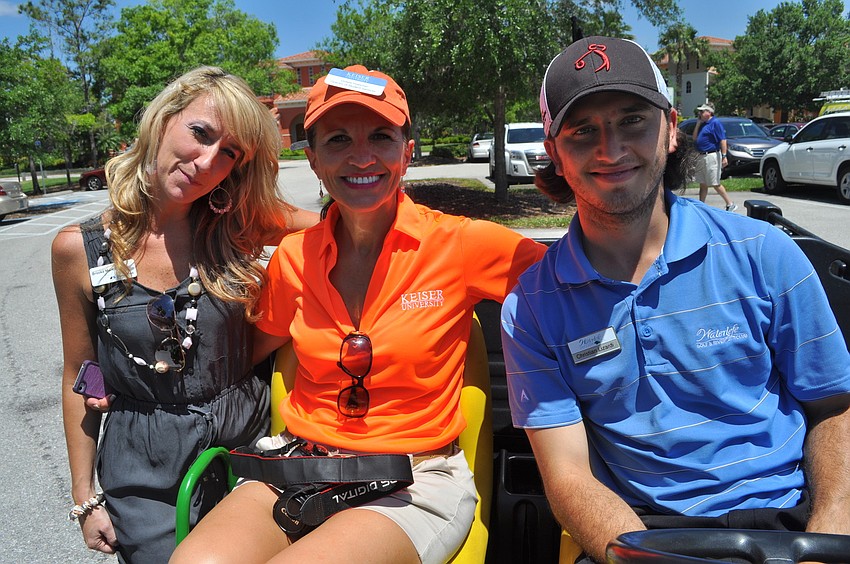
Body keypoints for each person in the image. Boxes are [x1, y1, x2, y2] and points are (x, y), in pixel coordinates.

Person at [170, 65, 547, 564]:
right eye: (339, 139)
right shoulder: (293, 257)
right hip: (299, 463)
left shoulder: (461, 244)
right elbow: (242, 356)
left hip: (415, 479)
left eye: (382, 136)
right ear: (314, 160)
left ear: (406, 153)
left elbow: (574, 290)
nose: (362, 156)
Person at [501, 36, 850, 563]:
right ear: (553, 152)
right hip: (646, 536)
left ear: (669, 129)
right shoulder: (530, 308)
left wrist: (826, 542)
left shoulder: (765, 254)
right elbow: (569, 474)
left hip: (789, 522)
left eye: (632, 121)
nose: (610, 150)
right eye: (582, 131)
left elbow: (836, 408)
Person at [52, 66, 318, 563]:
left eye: (230, 153)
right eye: (201, 134)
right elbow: (78, 374)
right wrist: (85, 497)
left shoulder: (238, 224)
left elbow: (338, 226)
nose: (207, 162)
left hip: (251, 455)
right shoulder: (79, 249)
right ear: (165, 117)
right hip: (144, 469)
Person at [693, 103, 737, 211]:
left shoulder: (715, 123)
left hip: (711, 156)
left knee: (715, 183)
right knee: (703, 183)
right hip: (701, 156)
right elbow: (694, 138)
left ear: (709, 113)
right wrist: (698, 124)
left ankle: (730, 204)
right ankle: (701, 205)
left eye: (702, 112)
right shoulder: (703, 124)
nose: (700, 114)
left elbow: (723, 140)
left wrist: (724, 156)